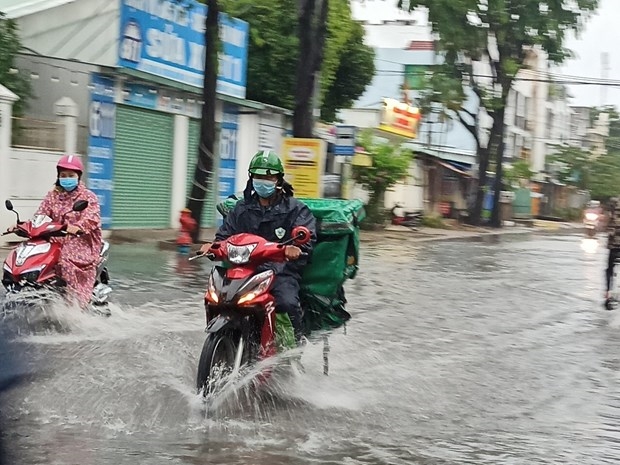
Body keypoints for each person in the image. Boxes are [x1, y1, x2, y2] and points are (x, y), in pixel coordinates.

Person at [200, 150, 317, 341]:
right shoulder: (241, 209)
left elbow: (306, 238)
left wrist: (295, 249)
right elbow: (224, 236)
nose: (263, 181)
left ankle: (290, 350)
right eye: (258, 176)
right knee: (216, 299)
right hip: (244, 270)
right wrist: (212, 247)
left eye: (268, 177)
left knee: (286, 303)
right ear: (251, 178)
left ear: (278, 180)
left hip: (281, 271)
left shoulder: (296, 209)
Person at [11, 155, 103, 309]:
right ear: (58, 176)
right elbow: (40, 216)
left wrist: (78, 227)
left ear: (78, 176)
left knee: (65, 258)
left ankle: (75, 302)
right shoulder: (53, 196)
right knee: (30, 255)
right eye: (63, 175)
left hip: (80, 241)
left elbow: (91, 218)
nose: (67, 178)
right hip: (55, 238)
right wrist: (22, 226)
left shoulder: (88, 197)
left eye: (71, 175)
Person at [605, 197, 620, 306]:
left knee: (610, 268)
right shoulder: (614, 203)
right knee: (610, 268)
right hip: (614, 243)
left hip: (613, 244)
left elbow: (609, 226)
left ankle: (608, 291)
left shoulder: (614, 203)